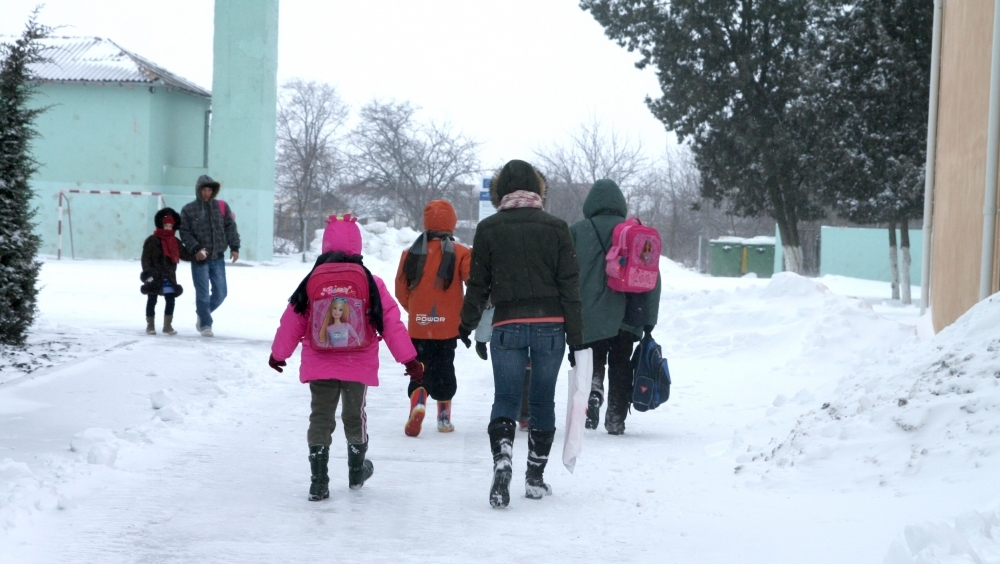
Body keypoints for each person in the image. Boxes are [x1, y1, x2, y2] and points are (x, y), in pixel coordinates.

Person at [268, 215, 424, 502]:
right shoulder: (370, 281)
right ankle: (356, 471)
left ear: (326, 243)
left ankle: (318, 482)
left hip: (320, 361)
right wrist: (408, 359)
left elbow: (293, 319)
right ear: (357, 244)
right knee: (354, 416)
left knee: (321, 417)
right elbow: (390, 322)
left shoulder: (312, 279)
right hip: (357, 362)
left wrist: (279, 354)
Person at [459, 159, 583, 508]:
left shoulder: (489, 228)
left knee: (506, 398)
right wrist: (577, 337)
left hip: (507, 324)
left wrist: (466, 324)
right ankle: (535, 478)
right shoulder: (557, 227)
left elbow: (478, 285)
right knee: (542, 400)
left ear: (501, 191)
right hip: (550, 326)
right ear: (538, 189)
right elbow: (570, 286)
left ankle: (503, 458)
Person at [569, 179, 660, 435]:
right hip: (629, 313)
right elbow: (653, 277)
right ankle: (616, 418)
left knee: (594, 357)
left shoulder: (577, 231)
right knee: (621, 365)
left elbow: (564, 274)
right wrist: (649, 319)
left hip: (590, 314)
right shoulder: (635, 232)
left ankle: (594, 391)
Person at [394, 200, 471, 436]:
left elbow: (400, 290)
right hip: (447, 328)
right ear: (452, 223)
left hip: (419, 327)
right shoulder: (461, 253)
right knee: (445, 368)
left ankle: (418, 402)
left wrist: (415, 311)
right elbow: (473, 281)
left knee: (419, 368)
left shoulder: (410, 253)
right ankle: (444, 417)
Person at [179, 175, 240, 337]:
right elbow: (185, 233)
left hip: (217, 256)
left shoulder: (222, 207)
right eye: (204, 190)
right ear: (198, 190)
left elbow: (230, 228)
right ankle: (206, 324)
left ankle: (202, 313)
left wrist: (234, 247)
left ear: (213, 191)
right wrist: (196, 249)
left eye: (209, 190)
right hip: (200, 258)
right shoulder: (189, 209)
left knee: (221, 293)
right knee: (203, 293)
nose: (206, 193)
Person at [140, 208, 190, 335]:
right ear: (161, 225)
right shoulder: (152, 240)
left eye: (170, 226)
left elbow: (185, 254)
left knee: (170, 300)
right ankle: (150, 326)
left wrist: (198, 255)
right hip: (154, 276)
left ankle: (167, 326)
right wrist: (147, 273)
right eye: (166, 225)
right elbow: (145, 258)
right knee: (152, 299)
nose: (168, 228)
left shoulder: (175, 241)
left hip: (169, 277)